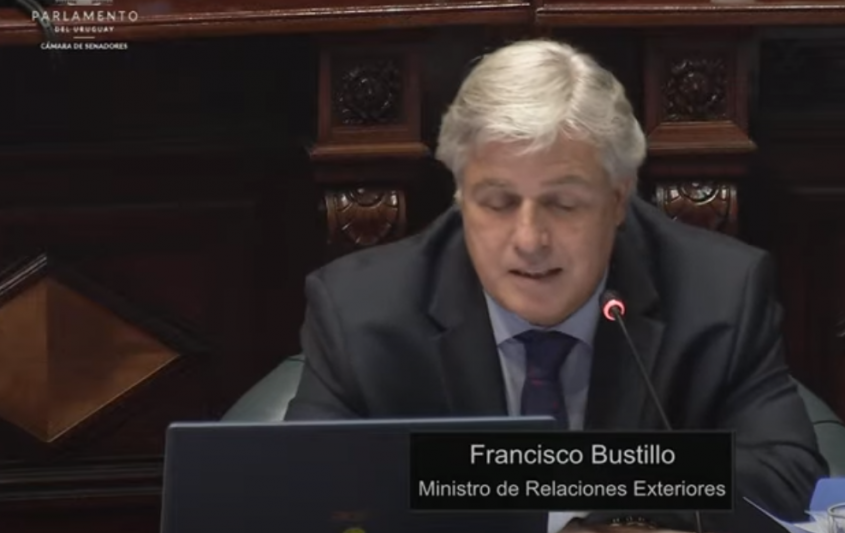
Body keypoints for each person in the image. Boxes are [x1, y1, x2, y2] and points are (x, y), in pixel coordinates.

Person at [285, 39, 827, 532]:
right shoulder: (361, 312)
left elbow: (789, 478)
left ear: (618, 199)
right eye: (497, 203)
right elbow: (302, 488)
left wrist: (569, 478)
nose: (529, 240)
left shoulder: (721, 292)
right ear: (460, 195)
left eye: (564, 204)